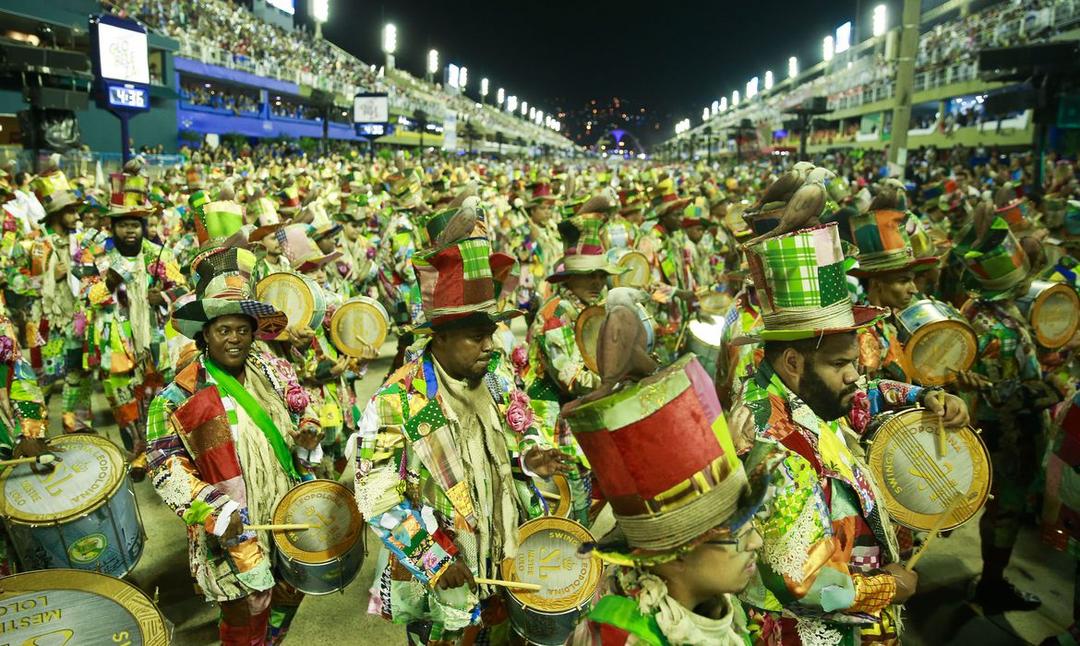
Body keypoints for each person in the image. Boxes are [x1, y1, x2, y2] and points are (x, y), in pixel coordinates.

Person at [735, 223, 970, 644]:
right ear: (793, 361)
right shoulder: (778, 449)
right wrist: (886, 587)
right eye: (842, 364)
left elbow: (866, 396)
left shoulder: (791, 390)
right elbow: (805, 583)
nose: (855, 376)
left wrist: (925, 395)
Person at [352, 229, 569, 644]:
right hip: (443, 575)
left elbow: (525, 428)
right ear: (441, 336)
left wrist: (530, 459)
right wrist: (433, 560)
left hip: (504, 558)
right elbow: (375, 494)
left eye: (491, 334)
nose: (490, 346)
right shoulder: (398, 400)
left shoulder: (498, 378)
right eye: (477, 337)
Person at [146, 246, 322, 645]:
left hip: (285, 511)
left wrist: (309, 434)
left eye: (242, 329)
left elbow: (303, 410)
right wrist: (214, 509)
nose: (235, 339)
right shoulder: (177, 397)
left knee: (289, 593)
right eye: (223, 330)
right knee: (246, 612)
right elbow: (162, 465)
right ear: (205, 333)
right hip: (233, 529)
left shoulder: (275, 370)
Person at [564, 347, 773, 646]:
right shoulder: (621, 638)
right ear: (675, 555)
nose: (757, 542)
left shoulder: (714, 608)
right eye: (737, 531)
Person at [954, 214, 1055, 613]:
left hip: (1001, 430)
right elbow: (1000, 394)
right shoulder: (998, 329)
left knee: (1001, 510)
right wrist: (1050, 388)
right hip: (1009, 434)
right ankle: (992, 583)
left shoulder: (990, 311)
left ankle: (991, 578)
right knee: (1005, 512)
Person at [78, 160, 187, 478]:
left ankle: (164, 453)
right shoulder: (97, 258)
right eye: (123, 223)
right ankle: (137, 453)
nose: (129, 229)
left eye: (135, 224)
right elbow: (87, 298)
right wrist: (109, 281)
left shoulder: (158, 255)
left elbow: (181, 289)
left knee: (159, 397)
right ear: (112, 226)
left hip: (155, 340)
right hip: (116, 343)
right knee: (124, 401)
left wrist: (163, 297)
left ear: (143, 227)